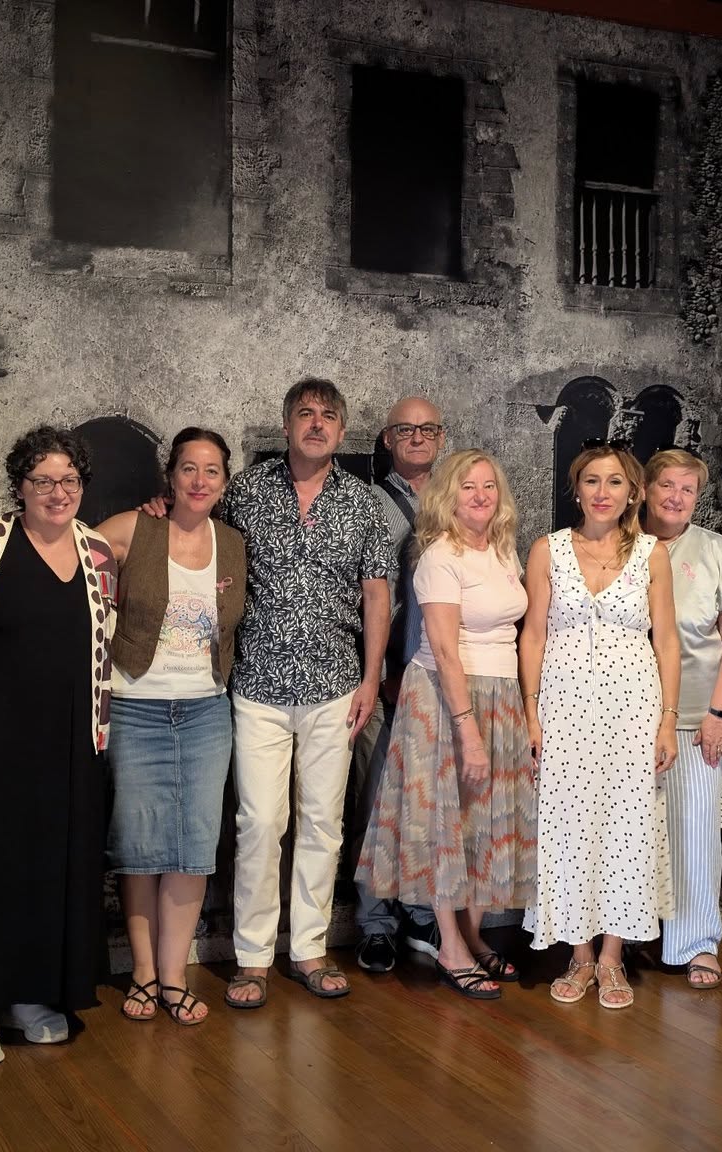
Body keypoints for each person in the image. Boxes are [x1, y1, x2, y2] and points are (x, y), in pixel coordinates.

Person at [0, 426, 119, 1065]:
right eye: (42, 480)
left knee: (54, 865)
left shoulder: (98, 552)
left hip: (72, 738)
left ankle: (35, 994)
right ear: (19, 486)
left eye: (69, 480)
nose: (57, 492)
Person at [220, 378, 393, 1008]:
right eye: (304, 414)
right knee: (260, 823)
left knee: (323, 823)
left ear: (341, 430)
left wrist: (370, 678)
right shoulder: (246, 491)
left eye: (327, 416)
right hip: (258, 682)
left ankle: (310, 949)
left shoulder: (363, 503)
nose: (316, 424)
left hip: (335, 686)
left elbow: (377, 594)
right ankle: (252, 958)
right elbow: (198, 540)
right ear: (287, 424)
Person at [355, 451, 533, 1000]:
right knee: (444, 823)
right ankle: (449, 946)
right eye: (467, 486)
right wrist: (467, 729)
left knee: (484, 820)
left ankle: (474, 936)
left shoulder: (503, 550)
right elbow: (445, 650)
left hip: (500, 693)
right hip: (446, 698)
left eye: (488, 485)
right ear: (447, 497)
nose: (479, 495)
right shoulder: (438, 555)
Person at [519, 445, 680, 1010]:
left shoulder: (653, 554)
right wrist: (531, 713)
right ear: (577, 489)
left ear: (633, 492)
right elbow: (533, 635)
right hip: (563, 709)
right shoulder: (548, 550)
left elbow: (667, 641)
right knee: (566, 825)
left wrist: (668, 721)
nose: (603, 492)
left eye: (614, 482)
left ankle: (613, 957)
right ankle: (579, 954)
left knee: (627, 826)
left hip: (634, 709)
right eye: (592, 481)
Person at [95, 428, 246, 1027]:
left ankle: (175, 975)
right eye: (188, 468)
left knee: (193, 846)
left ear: (224, 482)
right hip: (137, 705)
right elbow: (57, 544)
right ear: (171, 476)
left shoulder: (232, 543)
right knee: (140, 845)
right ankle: (144, 973)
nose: (199, 481)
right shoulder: (135, 528)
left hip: (207, 710)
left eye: (211, 471)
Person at [640, 449, 722, 989]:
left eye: (688, 489)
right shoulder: (619, 544)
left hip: (693, 718)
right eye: (667, 485)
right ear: (645, 488)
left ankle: (696, 943)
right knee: (627, 832)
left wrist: (719, 714)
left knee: (693, 833)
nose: (676, 497)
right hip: (623, 716)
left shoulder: (713, 551)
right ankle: (626, 934)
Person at [353, 395, 446, 974]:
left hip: (439, 681)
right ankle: (375, 923)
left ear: (441, 438)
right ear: (387, 439)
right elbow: (368, 596)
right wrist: (383, 672)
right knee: (375, 805)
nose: (417, 437)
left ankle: (421, 911)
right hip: (385, 678)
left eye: (427, 429)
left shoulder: (461, 498)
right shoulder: (364, 501)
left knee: (428, 807)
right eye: (405, 429)